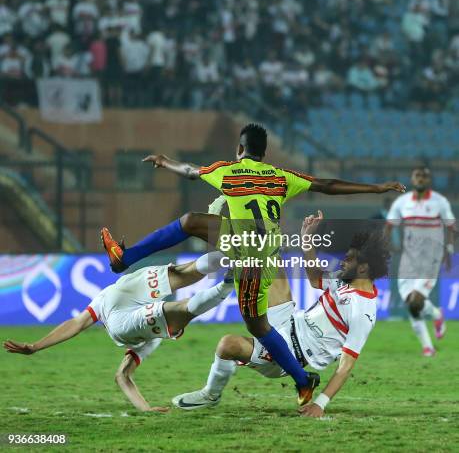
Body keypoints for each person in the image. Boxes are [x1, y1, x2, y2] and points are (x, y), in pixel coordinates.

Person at [101, 123, 405, 406]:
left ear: (239, 150)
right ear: (264, 154)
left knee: (255, 323)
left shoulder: (228, 171)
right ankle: (124, 259)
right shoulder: (280, 176)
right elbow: (327, 184)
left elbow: (191, 171)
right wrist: (376, 188)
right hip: (262, 252)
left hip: (251, 258)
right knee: (194, 224)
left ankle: (303, 381)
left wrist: (165, 162)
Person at [172, 210, 389, 418]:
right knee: (269, 256)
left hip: (292, 353)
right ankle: (234, 258)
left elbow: (346, 365)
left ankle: (210, 394)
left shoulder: (363, 311)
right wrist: (306, 239)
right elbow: (314, 278)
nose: (343, 261)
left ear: (363, 269)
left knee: (227, 345)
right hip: (289, 320)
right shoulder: (344, 280)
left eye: (349, 259)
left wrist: (320, 404)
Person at [3, 253, 233, 412]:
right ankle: (234, 264)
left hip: (122, 302)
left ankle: (231, 269)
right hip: (124, 299)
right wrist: (34, 347)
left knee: (184, 284)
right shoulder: (146, 339)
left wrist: (146, 409)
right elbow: (121, 375)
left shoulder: (145, 338)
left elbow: (120, 374)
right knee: (183, 286)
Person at [386, 166, 455, 356]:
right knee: (411, 304)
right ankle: (433, 328)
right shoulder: (402, 202)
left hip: (430, 259)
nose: (421, 179)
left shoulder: (439, 202)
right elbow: (389, 226)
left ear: (429, 180)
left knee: (416, 301)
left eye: (424, 176)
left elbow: (451, 227)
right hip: (408, 260)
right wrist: (387, 247)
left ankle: (429, 342)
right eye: (417, 176)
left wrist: (448, 250)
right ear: (412, 179)